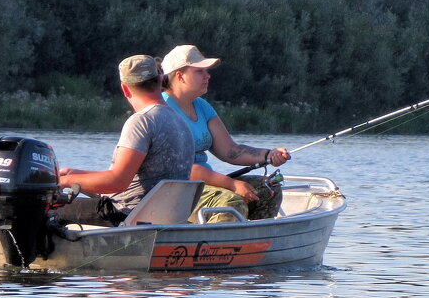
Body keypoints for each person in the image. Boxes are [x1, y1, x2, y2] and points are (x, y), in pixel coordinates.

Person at [56, 55, 194, 227]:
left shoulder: (143, 121)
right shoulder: (180, 121)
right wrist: (73, 174)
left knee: (43, 208)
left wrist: (65, 181)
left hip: (125, 215)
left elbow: (118, 181)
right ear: (160, 81)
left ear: (125, 89)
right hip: (164, 217)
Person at [160, 44, 291, 222]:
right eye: (199, 71)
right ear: (179, 76)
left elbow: (230, 151)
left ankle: (252, 237)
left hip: (204, 185)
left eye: (207, 71)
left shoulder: (202, 106)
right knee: (231, 203)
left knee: (269, 189)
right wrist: (232, 184)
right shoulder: (162, 110)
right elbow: (184, 169)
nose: (207, 76)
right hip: (175, 191)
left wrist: (269, 154)